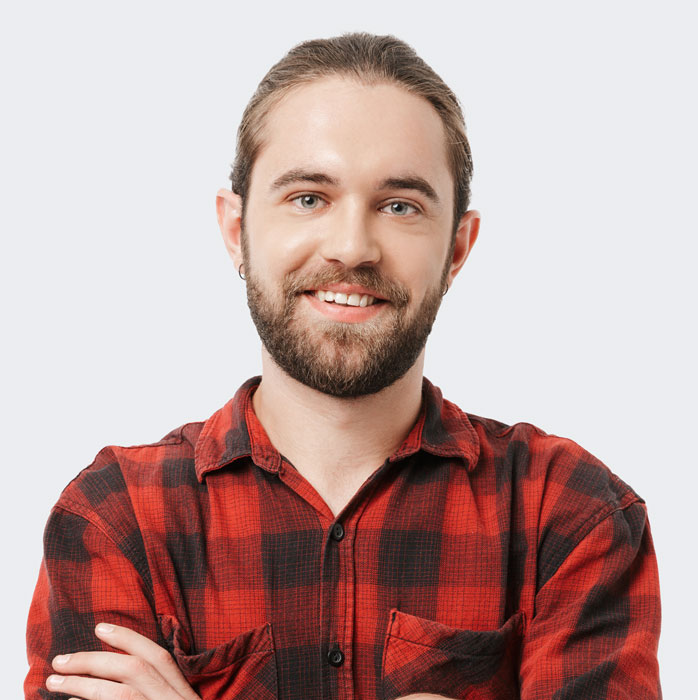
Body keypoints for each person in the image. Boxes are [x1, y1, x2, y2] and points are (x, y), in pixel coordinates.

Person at [25, 32, 662, 700]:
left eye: (399, 206)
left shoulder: (570, 513)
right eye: (308, 197)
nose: (352, 247)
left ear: (457, 248)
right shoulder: (116, 518)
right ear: (237, 230)